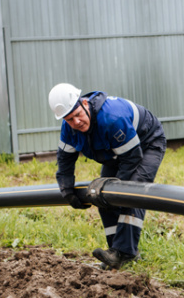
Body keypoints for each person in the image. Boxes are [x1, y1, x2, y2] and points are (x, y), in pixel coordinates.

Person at [49, 83, 166, 270]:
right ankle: (114, 253)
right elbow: (65, 160)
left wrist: (118, 189)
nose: (76, 122)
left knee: (130, 193)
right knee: (102, 195)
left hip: (146, 143)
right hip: (117, 151)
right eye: (70, 119)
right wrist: (66, 189)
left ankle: (125, 253)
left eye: (78, 115)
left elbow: (132, 157)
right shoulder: (69, 128)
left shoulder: (111, 118)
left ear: (84, 103)